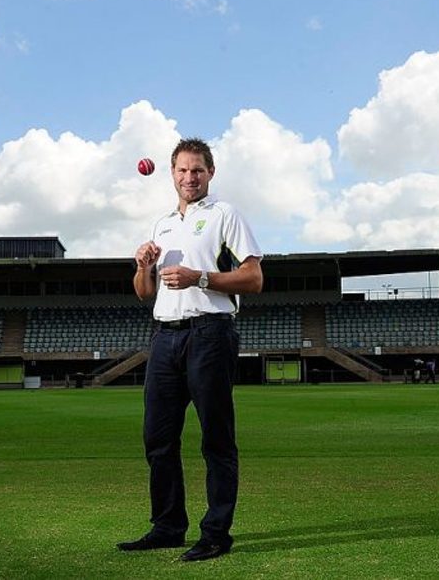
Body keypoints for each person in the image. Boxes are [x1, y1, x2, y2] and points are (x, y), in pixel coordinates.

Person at [118, 138, 263, 562]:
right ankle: (167, 526)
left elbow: (253, 279)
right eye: (182, 170)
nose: (189, 177)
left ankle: (216, 533)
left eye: (197, 170)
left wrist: (199, 278)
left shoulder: (225, 215)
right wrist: (143, 267)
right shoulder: (162, 225)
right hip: (164, 336)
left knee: (216, 439)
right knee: (157, 438)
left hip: (209, 335)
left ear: (210, 173)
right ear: (172, 174)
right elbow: (145, 293)